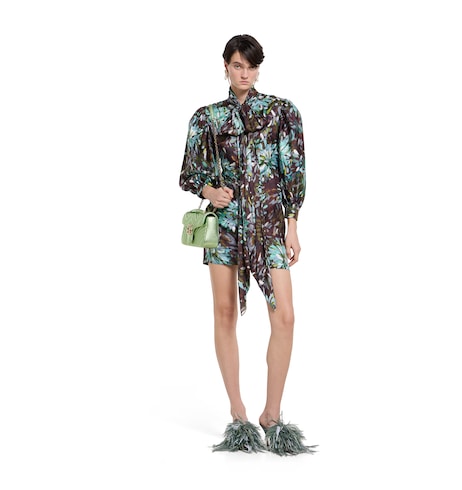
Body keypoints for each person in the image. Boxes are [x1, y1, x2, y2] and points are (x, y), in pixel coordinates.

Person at [179, 34, 315, 455]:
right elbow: (188, 174)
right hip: (224, 228)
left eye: (251, 66)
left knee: (285, 317)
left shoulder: (281, 112)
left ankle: (271, 415)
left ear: (259, 69)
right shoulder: (207, 118)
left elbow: (293, 169)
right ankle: (238, 414)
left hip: (269, 226)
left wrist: (292, 225)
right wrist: (210, 191)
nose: (245, 73)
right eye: (238, 65)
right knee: (224, 314)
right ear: (225, 66)